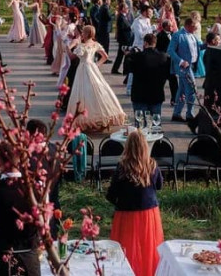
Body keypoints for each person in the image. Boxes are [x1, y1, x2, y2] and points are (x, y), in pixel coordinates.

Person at [0, 141, 41, 276]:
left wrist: (0, 243)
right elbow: (43, 224)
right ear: (22, 161)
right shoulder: (38, 190)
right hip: (29, 259)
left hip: (1, 259)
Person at [106, 130, 164, 276]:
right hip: (149, 212)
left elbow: (111, 194)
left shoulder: (122, 167)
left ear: (127, 146)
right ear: (145, 146)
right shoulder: (152, 165)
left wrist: (118, 201)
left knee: (127, 247)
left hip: (127, 213)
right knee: (147, 247)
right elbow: (159, 185)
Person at [66, 25, 126, 131]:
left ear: (86, 34)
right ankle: (102, 116)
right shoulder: (95, 44)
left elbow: (71, 57)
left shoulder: (82, 46)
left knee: (83, 92)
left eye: (83, 33)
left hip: (83, 69)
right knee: (98, 90)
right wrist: (96, 65)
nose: (82, 34)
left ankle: (86, 118)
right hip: (92, 67)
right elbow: (105, 56)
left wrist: (68, 48)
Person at [126, 33, 170, 123]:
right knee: (155, 124)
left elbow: (128, 69)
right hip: (156, 94)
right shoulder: (164, 57)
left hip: (139, 95)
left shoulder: (137, 57)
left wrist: (128, 55)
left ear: (145, 43)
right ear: (155, 43)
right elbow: (168, 74)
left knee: (140, 125)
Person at [168, 17, 204, 122]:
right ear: (188, 26)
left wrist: (208, 44)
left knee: (182, 91)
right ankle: (190, 115)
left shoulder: (192, 35)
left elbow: (197, 48)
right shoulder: (177, 35)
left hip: (191, 66)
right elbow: (170, 50)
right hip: (184, 68)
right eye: (195, 27)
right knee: (192, 90)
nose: (196, 29)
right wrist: (181, 61)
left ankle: (176, 114)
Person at [111, 2, 133, 75]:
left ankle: (115, 69)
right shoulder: (121, 17)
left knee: (120, 55)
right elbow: (122, 29)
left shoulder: (124, 16)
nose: (128, 9)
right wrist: (129, 28)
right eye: (127, 8)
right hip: (124, 39)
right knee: (125, 55)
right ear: (123, 9)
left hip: (125, 39)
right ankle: (125, 70)